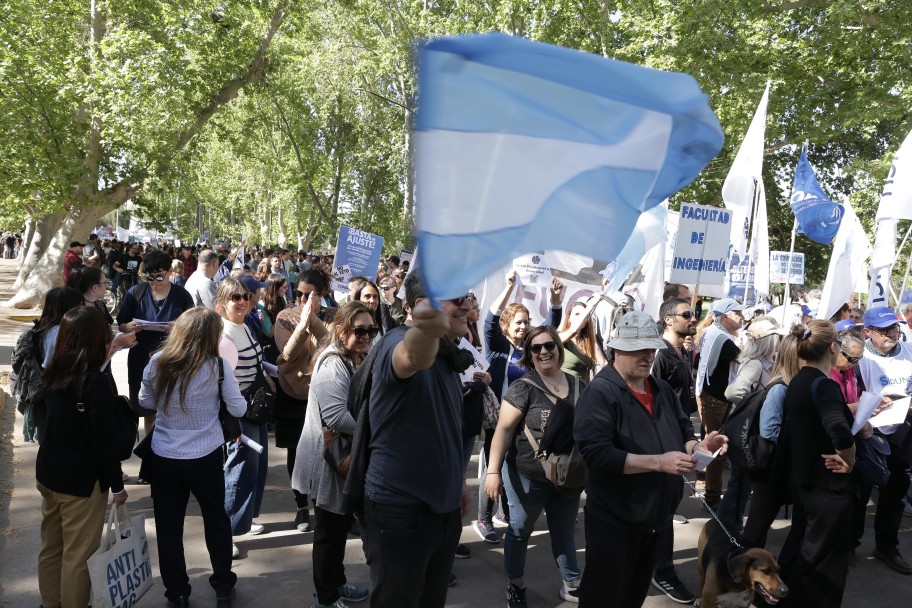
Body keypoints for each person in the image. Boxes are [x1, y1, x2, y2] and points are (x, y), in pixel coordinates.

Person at [573, 311, 727, 608]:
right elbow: (597, 454)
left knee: (632, 596)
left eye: (651, 349)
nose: (646, 356)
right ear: (617, 350)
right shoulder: (600, 393)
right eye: (637, 350)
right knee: (604, 598)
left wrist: (700, 447)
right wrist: (659, 462)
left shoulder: (660, 388)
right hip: (615, 520)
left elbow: (684, 429)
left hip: (655, 518)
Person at [360, 271, 471, 608]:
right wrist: (426, 327)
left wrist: (458, 481)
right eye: (456, 298)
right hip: (401, 514)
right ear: (420, 308)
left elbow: (442, 427)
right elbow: (411, 357)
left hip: (443, 508)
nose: (467, 304)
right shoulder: (398, 343)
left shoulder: (448, 356)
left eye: (466, 296)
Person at [138, 307, 245, 608]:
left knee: (169, 527)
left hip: (164, 454)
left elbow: (145, 402)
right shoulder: (218, 367)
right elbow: (238, 410)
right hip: (205, 456)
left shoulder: (157, 362)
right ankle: (223, 584)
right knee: (216, 520)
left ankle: (177, 593)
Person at [484, 326, 586, 607]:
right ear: (529, 354)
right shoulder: (523, 388)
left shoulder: (579, 385)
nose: (544, 352)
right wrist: (492, 472)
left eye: (549, 346)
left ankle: (571, 582)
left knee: (564, 532)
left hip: (568, 476)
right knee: (519, 530)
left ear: (559, 348)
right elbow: (502, 431)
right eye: (536, 348)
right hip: (527, 475)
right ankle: (515, 584)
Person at [36, 306, 128, 608]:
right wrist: (117, 485)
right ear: (94, 340)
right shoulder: (93, 382)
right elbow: (103, 441)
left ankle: (51, 603)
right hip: (81, 481)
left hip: (49, 473)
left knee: (52, 548)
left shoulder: (53, 372)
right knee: (78, 556)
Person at [292, 302, 374, 608]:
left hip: (340, 457)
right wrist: (375, 428)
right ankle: (324, 599)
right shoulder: (332, 364)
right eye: (360, 330)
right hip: (327, 460)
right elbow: (337, 417)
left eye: (371, 330)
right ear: (341, 331)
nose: (366, 336)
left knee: (338, 528)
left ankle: (337, 584)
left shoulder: (353, 358)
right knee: (328, 533)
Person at [777, 321, 861, 607]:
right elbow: (837, 429)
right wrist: (850, 460)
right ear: (833, 347)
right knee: (820, 566)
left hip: (805, 481)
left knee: (801, 551)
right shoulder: (822, 384)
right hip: (826, 487)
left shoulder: (799, 378)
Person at [476, 271, 563, 542]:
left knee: (511, 465)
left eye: (526, 322)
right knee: (494, 465)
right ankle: (484, 518)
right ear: (507, 326)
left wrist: (556, 300)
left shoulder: (529, 351)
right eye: (519, 322)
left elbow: (551, 326)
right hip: (499, 421)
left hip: (525, 422)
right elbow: (490, 319)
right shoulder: (497, 349)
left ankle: (504, 511)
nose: (524, 326)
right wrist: (508, 288)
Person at [648, 297, 700, 604]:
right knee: (659, 512)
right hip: (660, 446)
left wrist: (692, 440)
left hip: (677, 436)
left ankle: (657, 567)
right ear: (668, 320)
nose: (693, 319)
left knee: (665, 509)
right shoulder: (659, 354)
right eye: (686, 315)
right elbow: (650, 401)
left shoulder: (681, 351)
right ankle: (662, 571)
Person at [854, 306, 912, 574]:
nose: (892, 334)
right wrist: (872, 403)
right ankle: (848, 544)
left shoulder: (909, 351)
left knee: (895, 491)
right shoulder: (859, 356)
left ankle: (887, 546)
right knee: (860, 492)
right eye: (884, 329)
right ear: (868, 332)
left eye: (894, 328)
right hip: (870, 433)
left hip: (904, 432)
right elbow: (849, 397)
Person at [215, 277, 270, 557]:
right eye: (234, 297)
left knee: (255, 467)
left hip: (253, 406)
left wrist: (277, 371)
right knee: (237, 471)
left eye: (245, 296)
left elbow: (256, 361)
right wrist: (233, 417)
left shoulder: (245, 326)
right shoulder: (223, 334)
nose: (241, 301)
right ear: (222, 302)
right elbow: (222, 381)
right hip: (237, 410)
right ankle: (225, 534)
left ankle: (241, 521)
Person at [117, 250, 194, 439]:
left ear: (170, 272)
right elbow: (122, 323)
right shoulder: (136, 292)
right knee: (146, 406)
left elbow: (193, 325)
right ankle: (149, 447)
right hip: (141, 356)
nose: (155, 281)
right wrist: (129, 326)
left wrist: (178, 327)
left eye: (160, 275)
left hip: (172, 357)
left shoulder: (181, 295)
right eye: (150, 276)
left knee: (172, 403)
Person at [717, 317, 784, 535]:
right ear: (768, 341)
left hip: (749, 430)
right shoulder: (756, 364)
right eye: (776, 338)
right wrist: (758, 404)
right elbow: (733, 392)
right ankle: (728, 528)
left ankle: (730, 525)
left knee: (742, 485)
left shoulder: (765, 362)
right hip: (746, 432)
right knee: (739, 485)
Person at [273, 279, 330, 532]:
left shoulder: (331, 315)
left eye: (310, 295)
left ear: (322, 295)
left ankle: (321, 502)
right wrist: (303, 326)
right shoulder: (285, 317)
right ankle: (301, 507)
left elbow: (329, 344)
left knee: (322, 451)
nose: (304, 300)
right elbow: (286, 354)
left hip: (320, 393)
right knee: (296, 452)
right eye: (299, 294)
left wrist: (314, 321)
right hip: (292, 393)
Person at [741, 332, 801, 550]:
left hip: (779, 468)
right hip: (771, 469)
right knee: (756, 528)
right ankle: (745, 571)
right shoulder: (779, 388)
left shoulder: (789, 385)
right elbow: (768, 430)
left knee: (760, 526)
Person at [695, 297, 744, 511]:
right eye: (738, 313)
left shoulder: (713, 332)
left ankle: (703, 481)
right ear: (725, 316)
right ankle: (712, 495)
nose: (742, 317)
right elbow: (744, 359)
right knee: (716, 447)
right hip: (715, 398)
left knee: (710, 441)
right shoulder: (723, 339)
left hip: (710, 395)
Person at [558, 297, 606, 381]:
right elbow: (573, 331)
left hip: (582, 391)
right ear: (569, 318)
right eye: (577, 314)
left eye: (584, 315)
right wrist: (591, 305)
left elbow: (604, 364)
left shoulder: (589, 341)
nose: (581, 318)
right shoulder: (560, 337)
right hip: (563, 390)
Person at [257, 273, 288, 364]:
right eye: (283, 287)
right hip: (271, 348)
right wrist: (281, 314)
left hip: (282, 341)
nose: (285, 290)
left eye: (286, 287)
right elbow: (269, 333)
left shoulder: (281, 297)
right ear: (274, 288)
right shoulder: (261, 305)